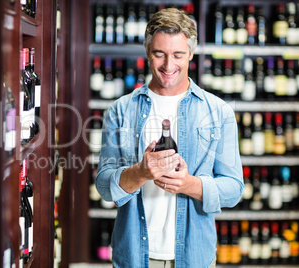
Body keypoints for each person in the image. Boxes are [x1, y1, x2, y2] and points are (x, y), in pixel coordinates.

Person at [95, 8, 243, 268]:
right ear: (147, 51)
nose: (168, 65)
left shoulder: (218, 111)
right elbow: (104, 186)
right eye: (159, 54)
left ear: (192, 54)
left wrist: (188, 184)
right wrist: (140, 173)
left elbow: (233, 189)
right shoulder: (120, 109)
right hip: (133, 257)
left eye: (178, 55)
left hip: (195, 257)